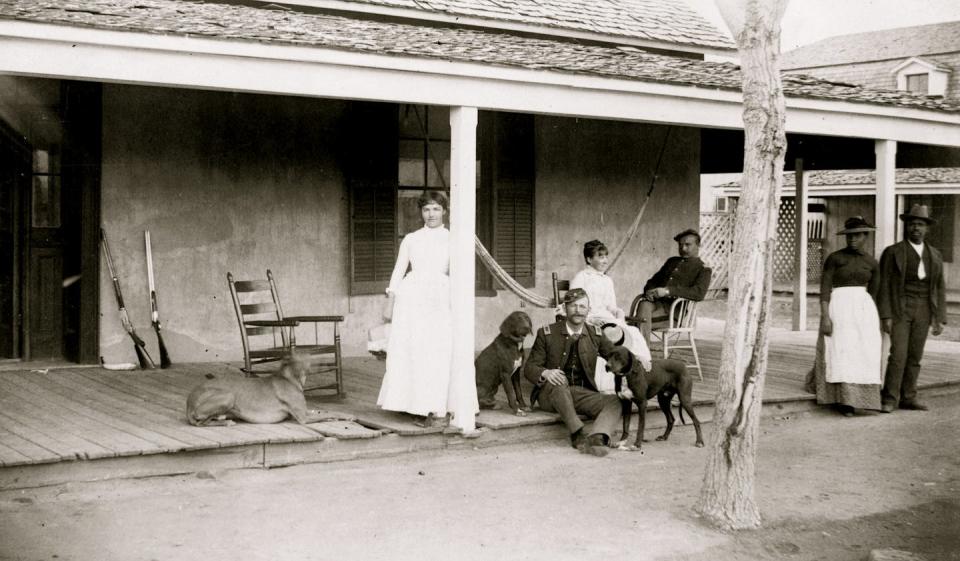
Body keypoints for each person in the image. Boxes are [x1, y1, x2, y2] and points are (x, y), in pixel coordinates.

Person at [378, 190, 455, 427]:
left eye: (435, 209)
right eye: (426, 209)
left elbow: (460, 273)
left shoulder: (453, 238)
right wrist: (390, 302)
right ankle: (410, 403)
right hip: (411, 297)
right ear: (421, 212)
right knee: (412, 349)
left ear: (444, 211)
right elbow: (399, 270)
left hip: (440, 297)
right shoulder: (411, 239)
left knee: (436, 350)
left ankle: (433, 404)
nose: (431, 214)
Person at [524, 288, 621, 457]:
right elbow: (529, 367)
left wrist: (639, 360)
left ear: (588, 310)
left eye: (582, 307)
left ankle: (598, 436)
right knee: (560, 380)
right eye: (573, 306)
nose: (578, 310)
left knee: (615, 401)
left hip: (580, 394)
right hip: (550, 395)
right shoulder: (547, 333)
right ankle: (577, 433)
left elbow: (616, 356)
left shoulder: (595, 334)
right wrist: (546, 373)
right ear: (565, 308)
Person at [808, 216, 882, 416]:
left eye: (857, 236)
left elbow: (874, 294)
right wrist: (825, 316)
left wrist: (870, 318)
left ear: (865, 236)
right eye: (849, 236)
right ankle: (843, 400)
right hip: (839, 306)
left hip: (863, 310)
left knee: (863, 351)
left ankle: (864, 398)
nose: (852, 240)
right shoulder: (835, 258)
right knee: (840, 350)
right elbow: (825, 290)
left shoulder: (872, 263)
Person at [877, 204, 947, 413]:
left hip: (924, 307)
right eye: (912, 224)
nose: (916, 228)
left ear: (927, 229)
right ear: (906, 227)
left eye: (921, 224)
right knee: (898, 354)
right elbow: (884, 285)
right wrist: (886, 315)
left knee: (915, 355)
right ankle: (889, 398)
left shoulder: (935, 254)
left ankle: (908, 397)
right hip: (901, 307)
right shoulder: (893, 252)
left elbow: (939, 286)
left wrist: (939, 317)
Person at [570, 240, 652, 375]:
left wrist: (617, 312)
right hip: (588, 320)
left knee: (633, 332)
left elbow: (610, 306)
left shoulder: (607, 280)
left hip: (607, 319)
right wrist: (590, 319)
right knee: (613, 336)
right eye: (600, 257)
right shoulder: (581, 278)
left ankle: (639, 367)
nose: (605, 260)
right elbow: (574, 305)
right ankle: (622, 369)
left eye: (606, 257)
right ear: (589, 259)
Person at [637, 229, 712, 345]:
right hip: (654, 305)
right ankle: (643, 354)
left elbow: (698, 293)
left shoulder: (703, 268)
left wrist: (667, 291)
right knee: (644, 305)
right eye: (680, 245)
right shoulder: (671, 262)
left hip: (672, 313)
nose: (683, 249)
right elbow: (653, 281)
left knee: (638, 321)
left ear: (698, 245)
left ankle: (642, 354)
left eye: (688, 245)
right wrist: (649, 291)